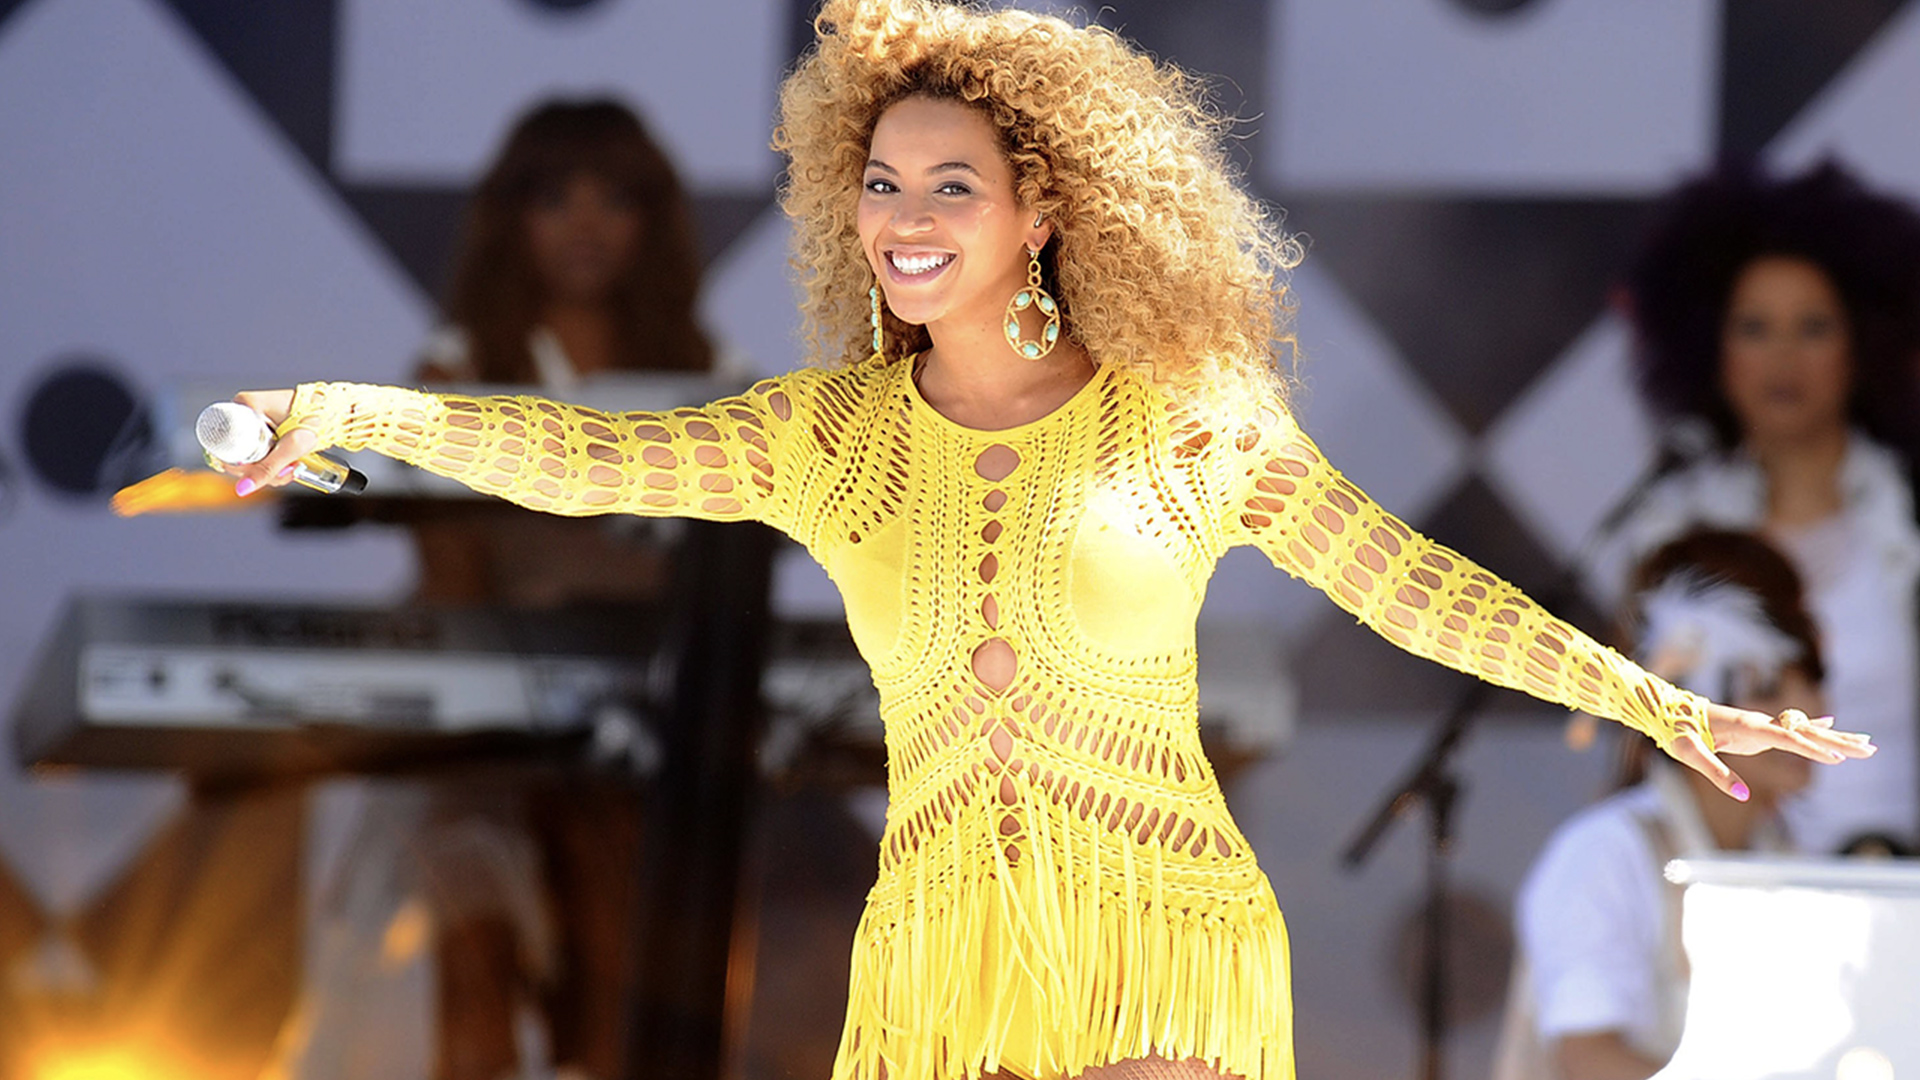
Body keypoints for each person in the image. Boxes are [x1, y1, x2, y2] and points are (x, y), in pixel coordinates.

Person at [217, 3, 1873, 1077]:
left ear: (1045, 210)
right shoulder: (828, 432)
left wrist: (1658, 702)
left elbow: (1412, 584)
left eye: (952, 186)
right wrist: (356, 410)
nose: (905, 221)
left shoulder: (1189, 411)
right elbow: (580, 453)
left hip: (1162, 938)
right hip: (940, 956)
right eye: (880, 185)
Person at [1592, 162, 1920, 856]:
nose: (1783, 357)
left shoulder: (1907, 516)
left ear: (1863, 345)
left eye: (1813, 327)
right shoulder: (1672, 531)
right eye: (1754, 327)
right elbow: (1641, 745)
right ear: (1712, 349)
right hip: (1730, 894)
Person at [1495, 529, 1825, 1080]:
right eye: (1768, 687)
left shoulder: (1788, 856)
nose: (1807, 709)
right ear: (1691, 703)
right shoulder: (1604, 854)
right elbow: (1588, 1062)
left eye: (1815, 678)